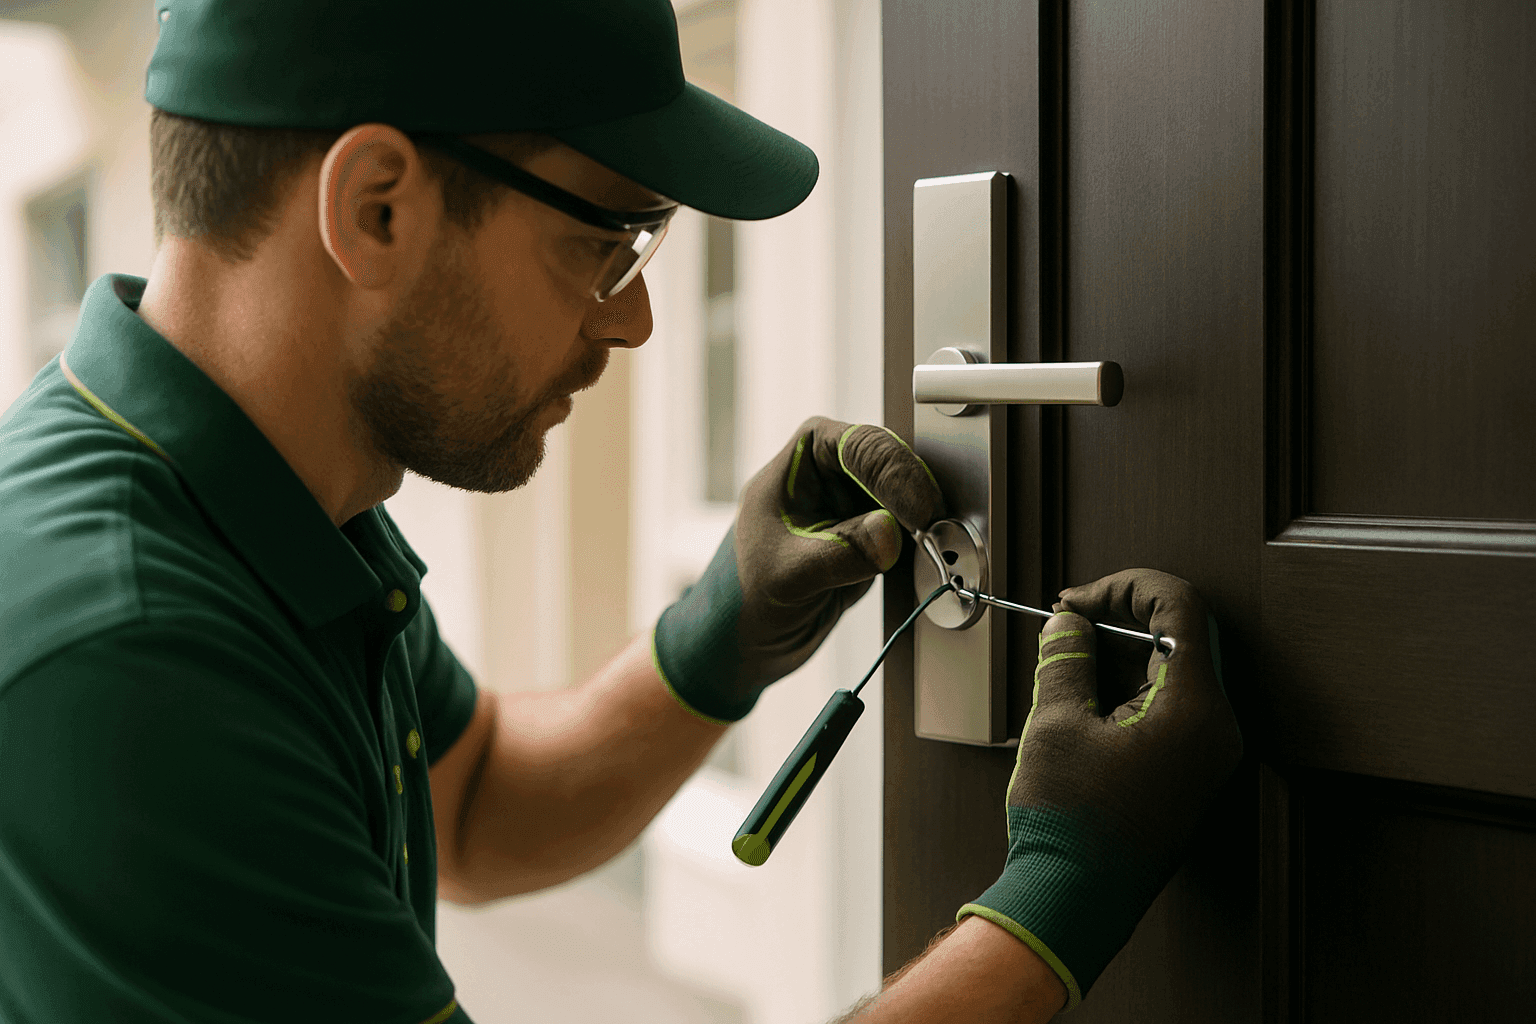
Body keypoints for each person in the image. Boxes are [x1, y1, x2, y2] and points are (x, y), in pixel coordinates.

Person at [0, 1, 1242, 1021]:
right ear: (376, 206)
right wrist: (1059, 896)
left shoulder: (257, 490)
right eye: (615, 238)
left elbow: (474, 802)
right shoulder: (127, 654)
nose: (633, 318)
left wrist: (720, 632)